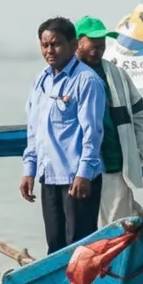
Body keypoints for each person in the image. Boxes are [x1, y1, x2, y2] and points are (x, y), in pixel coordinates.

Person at [21, 17, 107, 254]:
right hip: (49, 177)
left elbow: (92, 133)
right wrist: (29, 168)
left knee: (80, 248)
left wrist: (84, 174)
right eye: (45, 45)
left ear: (73, 44)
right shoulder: (42, 80)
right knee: (55, 245)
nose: (50, 50)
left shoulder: (87, 80)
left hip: (76, 178)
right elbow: (34, 129)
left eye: (56, 44)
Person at [73, 15, 143, 224]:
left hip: (115, 165)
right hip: (79, 171)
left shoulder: (116, 74)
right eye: (93, 44)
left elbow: (141, 113)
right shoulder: (67, 75)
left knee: (118, 226)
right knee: (86, 230)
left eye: (102, 45)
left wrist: (137, 151)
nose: (98, 50)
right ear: (77, 42)